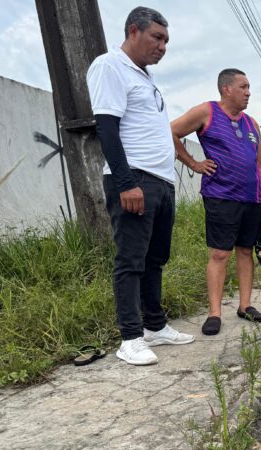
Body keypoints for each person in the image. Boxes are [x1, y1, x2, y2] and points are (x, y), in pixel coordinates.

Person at [87, 6, 195, 365]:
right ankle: (130, 337)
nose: (163, 46)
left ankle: (155, 326)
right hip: (135, 179)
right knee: (131, 260)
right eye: (157, 38)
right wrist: (126, 182)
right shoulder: (109, 66)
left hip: (160, 183)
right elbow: (107, 128)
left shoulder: (145, 77)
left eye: (166, 40)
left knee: (155, 259)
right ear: (134, 31)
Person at [171, 68, 261, 336]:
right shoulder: (207, 112)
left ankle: (245, 306)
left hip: (250, 199)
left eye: (249, 87)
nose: (248, 92)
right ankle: (214, 313)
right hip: (220, 196)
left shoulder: (251, 124)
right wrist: (194, 164)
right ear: (226, 89)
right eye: (243, 87)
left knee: (246, 251)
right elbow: (171, 132)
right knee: (220, 253)